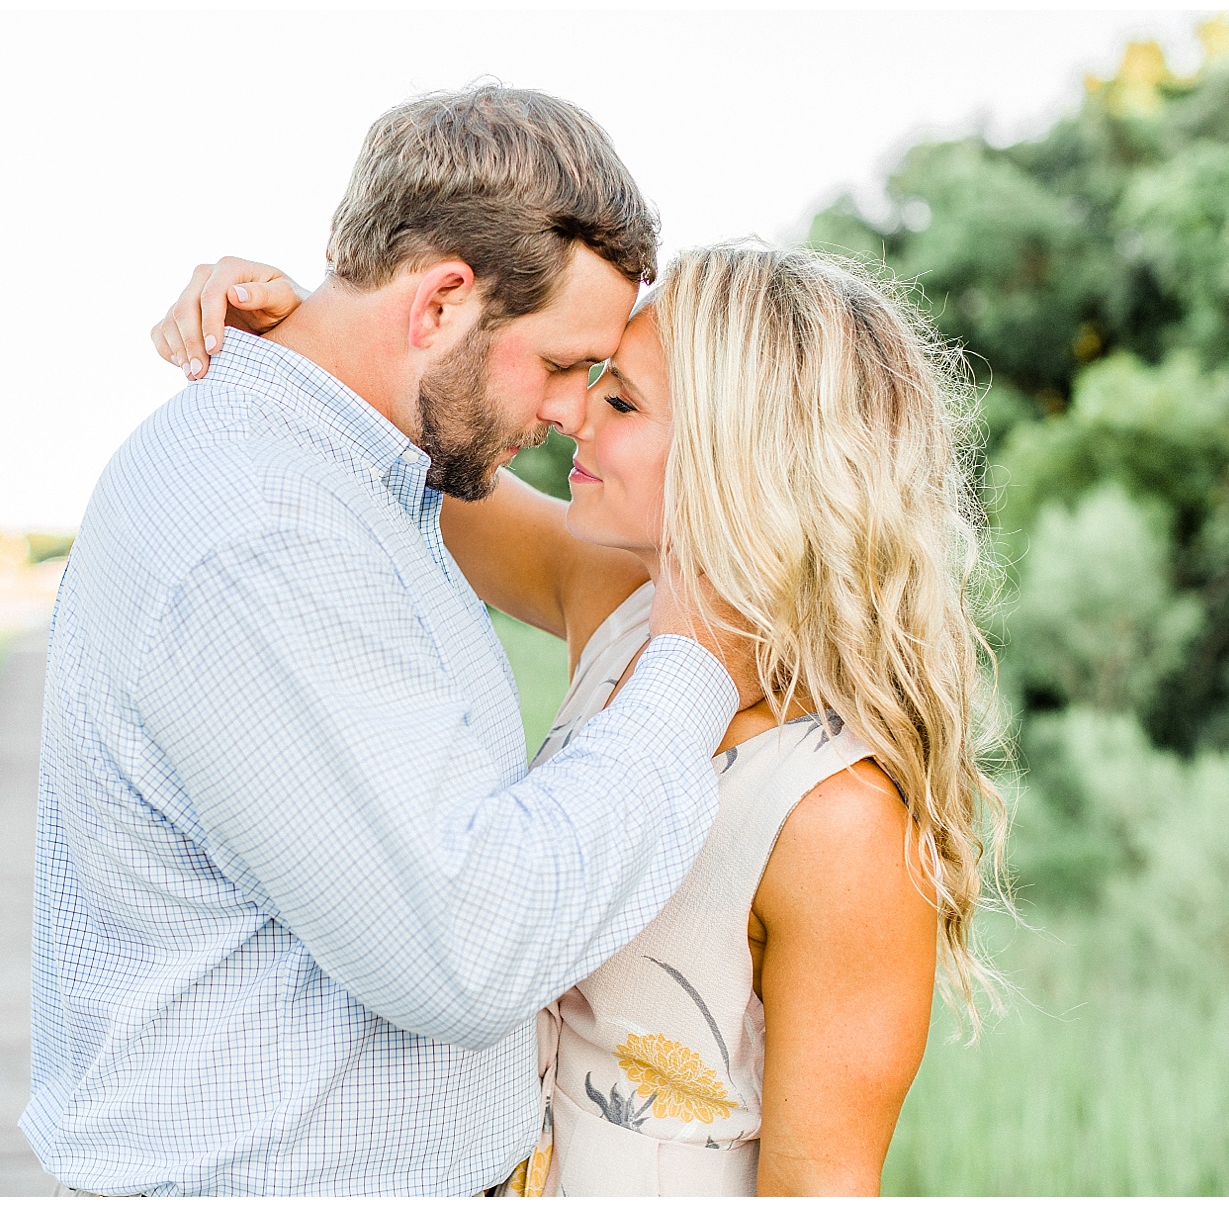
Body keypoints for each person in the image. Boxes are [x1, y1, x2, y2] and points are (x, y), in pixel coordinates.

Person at [27, 85, 764, 1197]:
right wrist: (693, 673)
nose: (571, 415)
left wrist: (309, 341)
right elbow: (468, 947)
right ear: (441, 303)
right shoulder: (263, 533)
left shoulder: (360, 472)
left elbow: (544, 534)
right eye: (564, 365)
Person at [152, 240, 1009, 1194]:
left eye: (623, 400)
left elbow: (823, 1185)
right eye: (586, 380)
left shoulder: (837, 816)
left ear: (746, 453)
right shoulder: (616, 602)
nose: (571, 419)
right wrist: (308, 336)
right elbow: (406, 447)